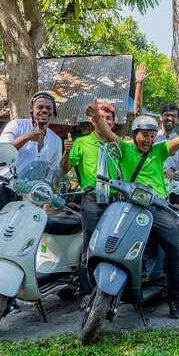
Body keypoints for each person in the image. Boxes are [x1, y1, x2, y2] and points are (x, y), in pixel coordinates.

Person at [86, 98, 179, 318]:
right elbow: (109, 135)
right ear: (135, 133)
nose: (149, 139)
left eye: (152, 135)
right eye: (145, 135)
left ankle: (175, 298)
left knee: (175, 247)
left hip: (156, 207)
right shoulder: (125, 149)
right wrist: (97, 118)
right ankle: (95, 288)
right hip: (128, 204)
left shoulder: (159, 151)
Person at [60, 101, 119, 304]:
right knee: (90, 247)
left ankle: (110, 290)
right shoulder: (81, 142)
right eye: (100, 117)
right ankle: (86, 293)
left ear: (114, 123)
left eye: (108, 118)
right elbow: (65, 167)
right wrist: (67, 151)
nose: (103, 121)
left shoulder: (118, 146)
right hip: (92, 202)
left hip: (115, 202)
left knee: (113, 246)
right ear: (93, 121)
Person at [0, 91, 63, 232]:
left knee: (22, 233)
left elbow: (53, 171)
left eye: (49, 108)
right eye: (40, 107)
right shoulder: (16, 126)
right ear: (32, 110)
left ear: (54, 112)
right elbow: (1, 151)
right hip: (2, 187)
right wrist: (27, 137)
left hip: (29, 194)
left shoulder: (56, 140)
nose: (44, 110)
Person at [155, 103, 179, 183]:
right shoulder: (152, 139)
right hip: (151, 185)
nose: (170, 118)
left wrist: (173, 170)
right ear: (161, 117)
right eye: (167, 115)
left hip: (174, 187)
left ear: (177, 120)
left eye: (173, 116)